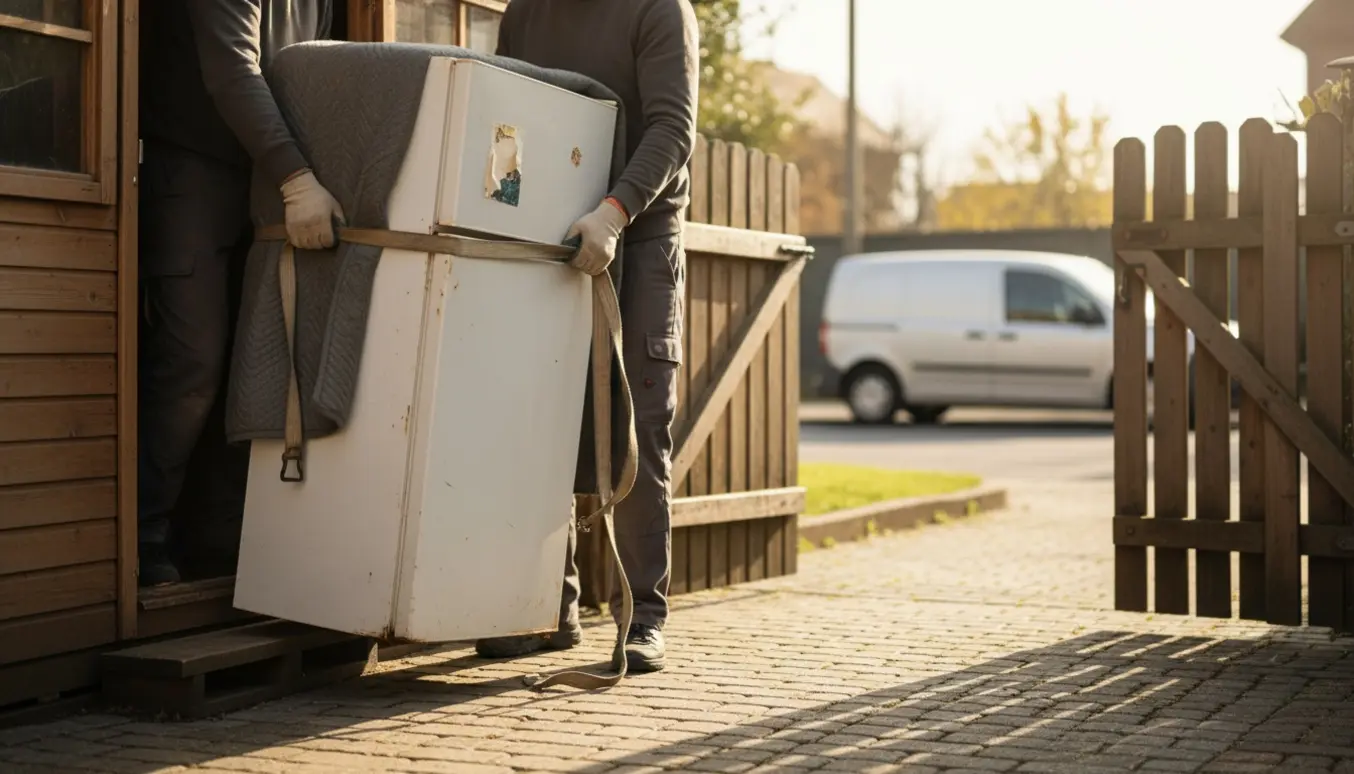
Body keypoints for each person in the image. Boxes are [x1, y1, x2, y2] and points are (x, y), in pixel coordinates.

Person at [475, 0, 699, 673]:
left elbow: (672, 129)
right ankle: (551, 608)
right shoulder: (526, 13)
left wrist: (614, 211)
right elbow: (507, 116)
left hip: (641, 230)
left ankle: (643, 617)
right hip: (548, 231)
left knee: (637, 420)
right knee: (542, 415)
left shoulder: (659, 10)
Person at [136, 0, 344, 586]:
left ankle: (219, 538)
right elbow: (232, 69)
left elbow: (313, 76)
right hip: (193, 171)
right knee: (191, 361)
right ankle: (145, 536)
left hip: (269, 177)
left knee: (253, 361)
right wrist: (297, 177)